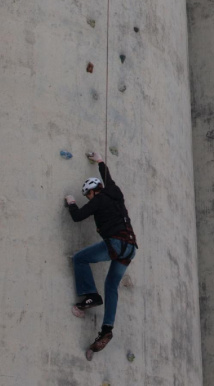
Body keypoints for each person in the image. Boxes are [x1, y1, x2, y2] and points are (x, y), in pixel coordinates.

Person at [65, 151, 138, 359]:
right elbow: (108, 176)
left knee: (80, 258)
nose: (87, 198)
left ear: (92, 191)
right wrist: (99, 161)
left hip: (115, 243)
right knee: (111, 285)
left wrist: (71, 202)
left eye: (87, 194)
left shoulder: (97, 201)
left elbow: (78, 217)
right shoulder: (115, 191)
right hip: (130, 247)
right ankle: (107, 329)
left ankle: (91, 296)